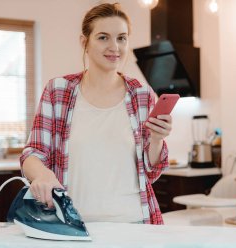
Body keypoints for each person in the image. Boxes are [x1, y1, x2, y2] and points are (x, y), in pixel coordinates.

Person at [20, 2, 172, 225]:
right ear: (85, 42)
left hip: (135, 224)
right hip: (74, 225)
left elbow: (151, 171)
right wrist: (42, 175)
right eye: (103, 37)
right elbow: (32, 154)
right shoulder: (58, 90)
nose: (114, 47)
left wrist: (157, 139)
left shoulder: (141, 93)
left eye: (121, 38)